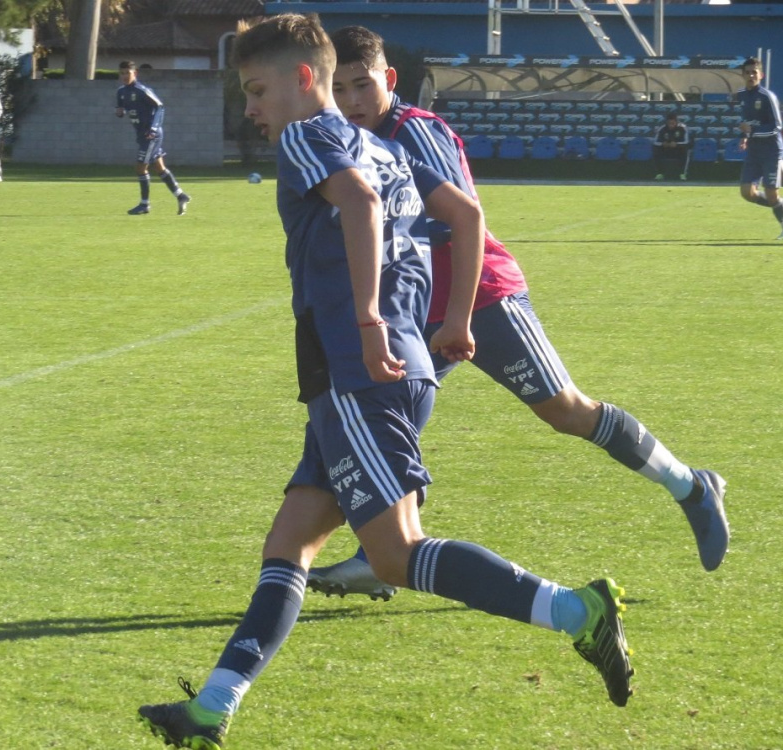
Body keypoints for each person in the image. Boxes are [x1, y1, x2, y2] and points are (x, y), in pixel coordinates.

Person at [137, 15, 634, 749]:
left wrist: (368, 322)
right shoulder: (383, 147)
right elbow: (459, 217)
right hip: (385, 371)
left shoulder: (310, 135)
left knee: (394, 554)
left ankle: (578, 612)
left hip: (357, 373)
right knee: (291, 542)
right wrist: (451, 322)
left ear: (303, 80)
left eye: (256, 89)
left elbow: (361, 207)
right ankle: (211, 710)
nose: (250, 108)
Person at [308, 25, 729, 604]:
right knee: (389, 427)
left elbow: (466, 222)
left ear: (390, 79)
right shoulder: (347, 141)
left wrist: (458, 319)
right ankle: (379, 557)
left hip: (481, 298)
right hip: (414, 312)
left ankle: (691, 486)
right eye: (341, 88)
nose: (353, 100)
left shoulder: (415, 132)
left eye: (364, 85)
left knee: (565, 411)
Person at [115, 60, 190, 215]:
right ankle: (181, 196)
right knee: (159, 168)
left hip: (151, 135)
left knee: (140, 167)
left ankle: (145, 204)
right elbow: (121, 106)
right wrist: (120, 111)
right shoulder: (121, 92)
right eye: (121, 73)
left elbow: (159, 106)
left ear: (134, 73)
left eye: (127, 73)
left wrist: (154, 128)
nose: (124, 76)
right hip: (141, 135)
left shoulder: (142, 90)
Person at [735, 56, 783, 240]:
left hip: (771, 151)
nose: (750, 75)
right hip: (754, 152)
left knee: (771, 193)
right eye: (747, 72)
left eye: (754, 72)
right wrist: (745, 136)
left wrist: (752, 131)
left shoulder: (767, 96)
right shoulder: (742, 95)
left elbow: (777, 126)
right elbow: (747, 122)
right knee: (747, 193)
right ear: (743, 75)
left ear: (761, 75)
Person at [652, 112, 691, 181]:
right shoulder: (662, 128)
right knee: (656, 150)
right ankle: (659, 174)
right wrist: (662, 144)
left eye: (673, 123)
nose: (671, 125)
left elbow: (687, 142)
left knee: (686, 151)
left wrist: (677, 144)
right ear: (666, 122)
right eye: (669, 123)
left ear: (676, 122)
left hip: (678, 150)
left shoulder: (683, 128)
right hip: (666, 149)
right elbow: (655, 142)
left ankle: (682, 174)